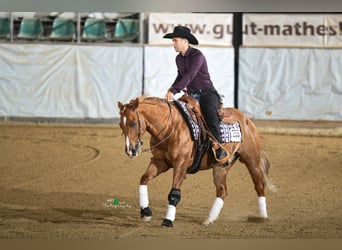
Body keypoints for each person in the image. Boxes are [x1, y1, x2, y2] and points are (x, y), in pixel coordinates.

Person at [163, 25, 228, 163]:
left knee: (210, 115)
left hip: (206, 93)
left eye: (175, 40)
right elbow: (181, 76)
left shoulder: (197, 56)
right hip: (191, 95)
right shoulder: (178, 59)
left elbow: (190, 75)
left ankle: (218, 147)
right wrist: (172, 88)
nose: (173, 43)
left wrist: (174, 91)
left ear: (185, 41)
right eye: (173, 40)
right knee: (178, 115)